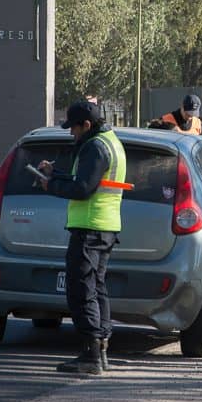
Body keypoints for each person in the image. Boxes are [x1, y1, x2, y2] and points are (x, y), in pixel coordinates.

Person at [39, 100, 127, 375]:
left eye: (74, 128)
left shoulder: (95, 147)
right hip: (105, 226)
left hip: (90, 227)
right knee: (97, 287)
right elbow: (87, 179)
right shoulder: (111, 142)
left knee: (82, 290)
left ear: (87, 125)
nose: (71, 133)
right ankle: (100, 350)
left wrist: (51, 185)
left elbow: (83, 189)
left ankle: (91, 355)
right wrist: (57, 174)